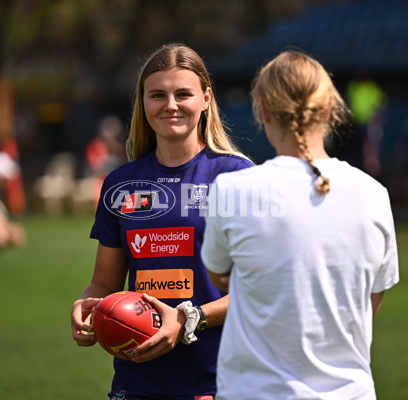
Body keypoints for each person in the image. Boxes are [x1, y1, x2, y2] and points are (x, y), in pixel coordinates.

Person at [201, 50, 399, 400]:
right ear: (329, 110)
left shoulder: (233, 189)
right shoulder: (375, 194)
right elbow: (371, 300)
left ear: (262, 111)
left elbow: (218, 276)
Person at [70, 43, 253, 400]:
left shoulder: (239, 177)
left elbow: (260, 290)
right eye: (158, 95)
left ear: (206, 99)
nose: (170, 105)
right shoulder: (121, 184)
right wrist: (87, 306)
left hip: (221, 381)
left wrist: (188, 318)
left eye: (183, 94)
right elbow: (103, 282)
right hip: (137, 380)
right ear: (143, 103)